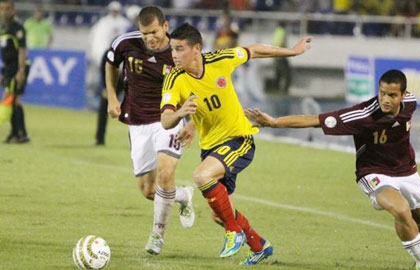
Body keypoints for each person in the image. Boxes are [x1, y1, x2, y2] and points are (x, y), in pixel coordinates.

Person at [245, 70, 420, 270]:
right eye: (382, 93)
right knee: (400, 210)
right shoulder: (362, 115)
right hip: (374, 172)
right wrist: (274, 122)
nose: (386, 99)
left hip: (407, 170)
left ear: (404, 95)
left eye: (392, 95)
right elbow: (314, 120)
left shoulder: (411, 103)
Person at [160, 23, 312, 265]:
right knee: (218, 214)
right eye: (172, 50)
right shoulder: (174, 79)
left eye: (179, 49)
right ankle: (260, 246)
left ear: (197, 48)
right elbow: (165, 119)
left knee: (200, 176)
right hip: (211, 147)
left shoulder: (220, 60)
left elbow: (254, 50)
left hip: (239, 139)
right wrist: (181, 115)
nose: (174, 55)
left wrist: (292, 52)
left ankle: (234, 232)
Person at [105, 6, 195, 255]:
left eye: (154, 32)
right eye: (145, 33)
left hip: (169, 120)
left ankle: (157, 236)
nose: (149, 38)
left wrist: (192, 123)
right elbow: (110, 62)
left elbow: (198, 86)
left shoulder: (178, 53)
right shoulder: (126, 43)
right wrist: (112, 97)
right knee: (149, 191)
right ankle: (184, 196)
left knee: (166, 174)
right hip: (138, 123)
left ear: (165, 27)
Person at [0, 0, 30, 143]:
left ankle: (20, 133)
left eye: (7, 9)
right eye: (2, 9)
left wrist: (21, 71)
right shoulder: (3, 28)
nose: (4, 12)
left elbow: (22, 51)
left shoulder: (17, 28)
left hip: (17, 68)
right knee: (12, 99)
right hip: (8, 68)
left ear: (13, 10)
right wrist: (3, 72)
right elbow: (4, 53)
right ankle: (16, 132)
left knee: (14, 99)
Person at [94, 49, 124, 145]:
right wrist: (105, 88)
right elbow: (104, 70)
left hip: (129, 80)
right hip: (113, 81)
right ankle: (100, 139)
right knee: (104, 108)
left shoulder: (133, 51)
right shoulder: (108, 54)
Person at [89, 1, 130, 69]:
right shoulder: (103, 22)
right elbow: (97, 38)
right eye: (113, 10)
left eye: (116, 10)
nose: (114, 12)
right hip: (106, 51)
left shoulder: (124, 23)